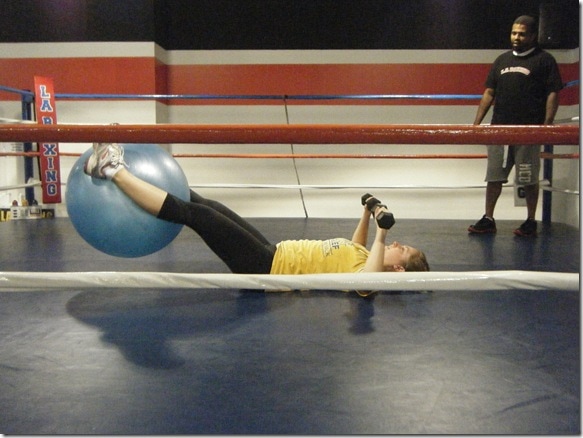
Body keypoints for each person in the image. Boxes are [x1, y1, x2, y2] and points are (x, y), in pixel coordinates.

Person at [84, 142, 430, 275]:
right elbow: (358, 247)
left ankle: (112, 171)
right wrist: (367, 214)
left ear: (399, 270)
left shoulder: (367, 278)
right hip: (273, 251)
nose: (398, 243)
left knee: (199, 216)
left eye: (403, 250)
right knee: (209, 205)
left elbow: (369, 281)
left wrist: (383, 232)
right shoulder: (362, 258)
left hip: (266, 267)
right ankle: (141, 180)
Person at [468, 15, 563, 237]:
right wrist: (476, 124)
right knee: (494, 177)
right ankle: (488, 218)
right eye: (513, 33)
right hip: (499, 130)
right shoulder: (501, 60)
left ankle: (530, 220)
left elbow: (553, 92)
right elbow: (489, 92)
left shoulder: (545, 60)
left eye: (521, 34)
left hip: (528, 131)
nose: (516, 37)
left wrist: (546, 126)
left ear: (532, 36)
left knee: (527, 178)